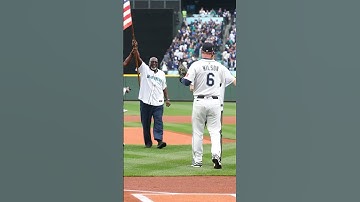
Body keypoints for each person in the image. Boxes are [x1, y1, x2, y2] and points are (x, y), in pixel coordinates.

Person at [180, 42, 231, 169]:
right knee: (215, 132)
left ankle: (197, 160)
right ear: (213, 53)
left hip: (200, 101)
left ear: (202, 51)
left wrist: (181, 78)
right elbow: (227, 81)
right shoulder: (220, 67)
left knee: (198, 132)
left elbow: (186, 82)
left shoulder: (196, 65)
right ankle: (216, 156)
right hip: (215, 102)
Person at [130, 39, 171, 149]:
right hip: (145, 102)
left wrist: (167, 99)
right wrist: (136, 49)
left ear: (158, 64)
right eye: (152, 62)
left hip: (158, 102)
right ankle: (148, 142)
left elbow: (164, 87)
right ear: (149, 63)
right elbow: (138, 59)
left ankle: (159, 140)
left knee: (158, 121)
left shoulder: (162, 74)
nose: (153, 63)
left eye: (155, 62)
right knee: (146, 123)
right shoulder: (144, 69)